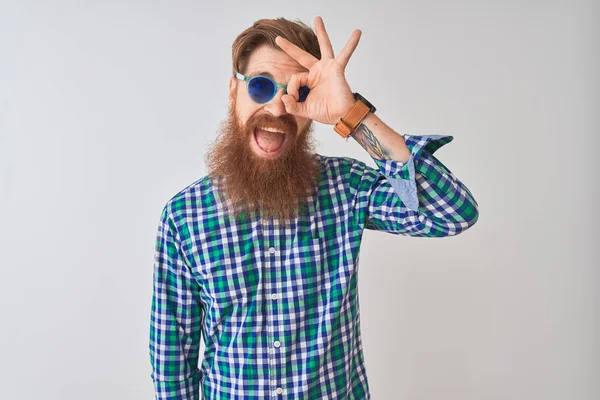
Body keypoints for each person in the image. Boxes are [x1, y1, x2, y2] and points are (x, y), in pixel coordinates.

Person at [149, 16, 479, 400]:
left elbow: (452, 212)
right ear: (232, 92)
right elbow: (173, 363)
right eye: (260, 86)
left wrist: (352, 115)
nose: (277, 107)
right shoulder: (183, 217)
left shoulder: (346, 188)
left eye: (298, 93)